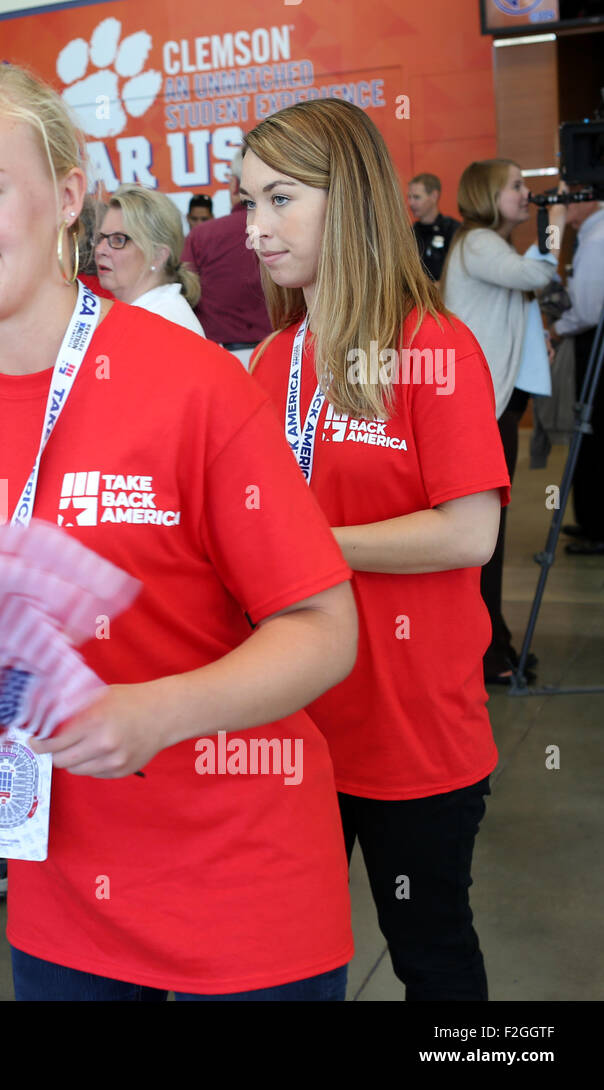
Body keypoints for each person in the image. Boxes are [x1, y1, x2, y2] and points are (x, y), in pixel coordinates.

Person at [0, 59, 361, 1000]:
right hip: (63, 896)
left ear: (67, 197)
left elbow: (324, 629)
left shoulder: (193, 384)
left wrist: (151, 712)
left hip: (241, 887)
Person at [244, 97, 509, 1001]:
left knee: (430, 949)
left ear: (348, 199)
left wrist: (307, 542)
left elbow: (471, 530)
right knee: (283, 952)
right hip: (295, 718)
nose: (255, 231)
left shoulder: (433, 346)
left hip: (409, 726)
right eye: (248, 204)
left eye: (281, 199)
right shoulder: (274, 359)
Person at [441, 159, 563, 683]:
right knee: (484, 542)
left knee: (485, 542)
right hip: (483, 414)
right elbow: (539, 273)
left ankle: (493, 648)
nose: (526, 194)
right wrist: (554, 223)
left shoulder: (483, 245)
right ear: (489, 193)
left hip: (490, 410)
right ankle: (488, 654)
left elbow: (515, 305)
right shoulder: (480, 244)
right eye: (516, 186)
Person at [180, 150, 271, 364]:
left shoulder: (200, 236)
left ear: (233, 185)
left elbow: (186, 295)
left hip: (221, 359)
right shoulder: (287, 231)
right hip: (282, 354)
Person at [554, 193, 604, 555]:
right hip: (589, 342)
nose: (564, 204)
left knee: (592, 433)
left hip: (593, 345)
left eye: (571, 197)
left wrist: (555, 325)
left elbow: (586, 310)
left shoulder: (597, 236)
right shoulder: (590, 232)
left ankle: (597, 526)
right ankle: (590, 520)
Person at [94, 184, 204, 334]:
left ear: (158, 256)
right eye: (101, 238)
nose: (100, 250)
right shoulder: (147, 313)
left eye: (118, 240)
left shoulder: (161, 322)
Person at [408, 172, 461, 282]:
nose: (411, 203)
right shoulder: (409, 233)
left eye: (417, 197)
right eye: (409, 197)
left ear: (434, 196)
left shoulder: (452, 229)